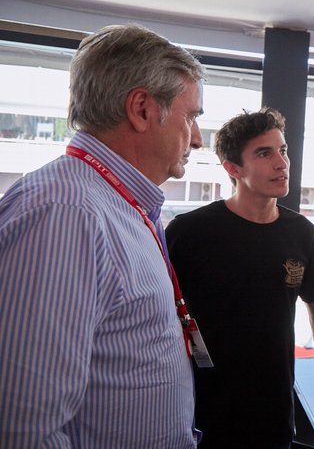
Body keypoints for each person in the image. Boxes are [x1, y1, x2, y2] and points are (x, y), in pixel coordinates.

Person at [0, 24, 204, 447]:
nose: (198, 139)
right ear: (143, 109)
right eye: (191, 117)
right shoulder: (65, 214)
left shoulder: (114, 204)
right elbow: (20, 430)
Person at [165, 108, 314, 449]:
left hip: (273, 416)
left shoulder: (301, 233)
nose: (282, 163)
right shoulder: (189, 232)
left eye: (282, 150)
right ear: (233, 168)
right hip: (197, 416)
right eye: (264, 153)